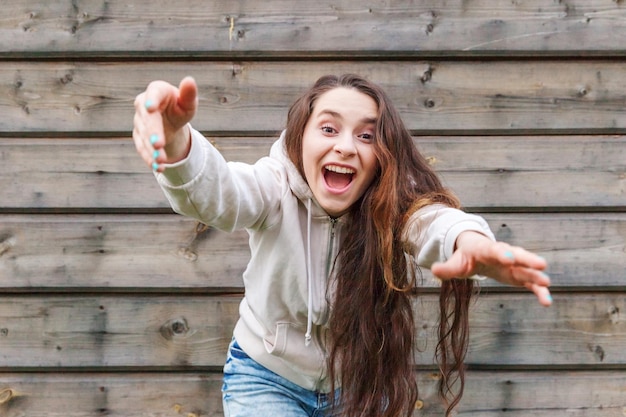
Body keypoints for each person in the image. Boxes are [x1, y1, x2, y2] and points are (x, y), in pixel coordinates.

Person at [132, 74, 552, 417]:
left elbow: (432, 221)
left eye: (367, 136)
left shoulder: (389, 205)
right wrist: (177, 145)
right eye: (329, 128)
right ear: (300, 139)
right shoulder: (274, 188)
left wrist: (469, 240)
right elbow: (221, 193)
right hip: (264, 377)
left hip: (357, 384)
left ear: (383, 154)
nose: (346, 146)